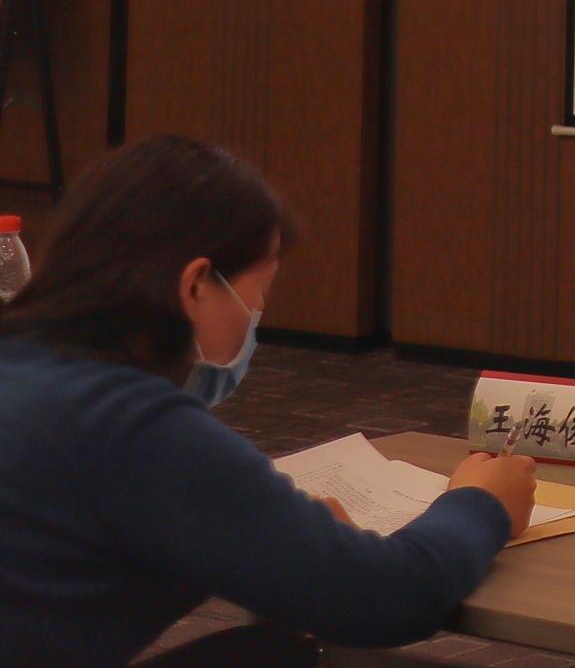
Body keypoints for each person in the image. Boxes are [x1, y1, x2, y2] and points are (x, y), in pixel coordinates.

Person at [0, 135, 537, 667]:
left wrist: (284, 541)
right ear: (196, 285)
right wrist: (482, 503)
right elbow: (389, 597)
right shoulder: (133, 426)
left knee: (266, 651)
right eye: (260, 288)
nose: (258, 310)